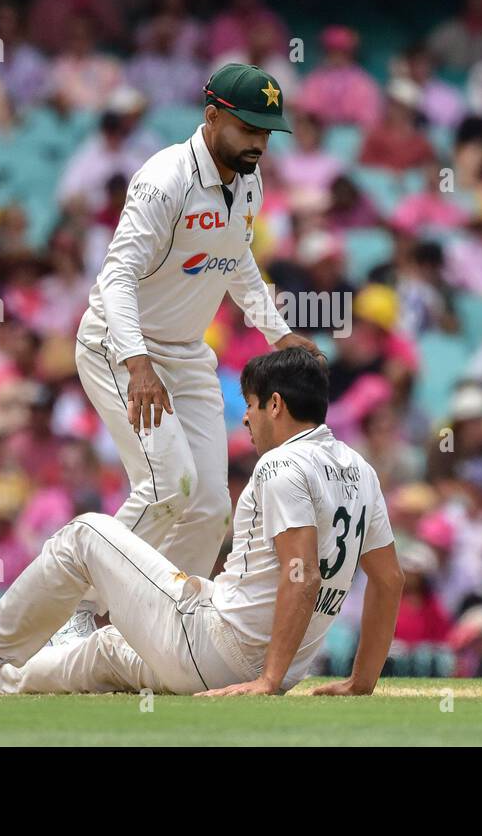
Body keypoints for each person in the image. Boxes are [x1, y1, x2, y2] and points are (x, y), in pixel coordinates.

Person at [0, 348, 403, 697]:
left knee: (86, 534)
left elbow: (303, 575)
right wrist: (362, 681)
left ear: (275, 405)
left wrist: (267, 683)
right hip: (268, 659)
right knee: (106, 651)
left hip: (223, 651)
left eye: (251, 407)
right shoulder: (359, 468)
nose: (246, 421)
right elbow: (389, 579)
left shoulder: (280, 465)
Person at [65, 64, 321, 641]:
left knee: (208, 507)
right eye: (249, 127)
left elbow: (238, 262)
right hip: (119, 346)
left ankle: (156, 630)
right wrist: (137, 364)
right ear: (211, 117)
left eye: (268, 131)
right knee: (166, 486)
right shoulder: (165, 180)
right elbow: (116, 278)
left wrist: (278, 333)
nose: (259, 141)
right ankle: (74, 609)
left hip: (184, 354)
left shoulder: (247, 180)